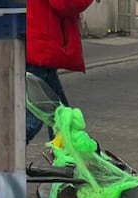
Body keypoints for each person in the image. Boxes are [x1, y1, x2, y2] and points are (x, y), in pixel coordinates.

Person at [26, 0, 92, 144]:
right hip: (40, 46)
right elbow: (64, 4)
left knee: (60, 114)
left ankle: (69, 156)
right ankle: (4, 158)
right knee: (39, 115)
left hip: (36, 43)